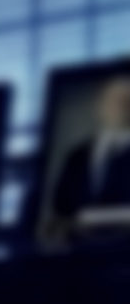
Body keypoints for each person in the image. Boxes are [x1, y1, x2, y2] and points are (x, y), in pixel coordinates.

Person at [50, 75, 130, 238]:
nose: (119, 108)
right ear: (99, 106)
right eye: (112, 101)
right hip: (80, 249)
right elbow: (61, 207)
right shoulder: (77, 155)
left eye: (125, 101)